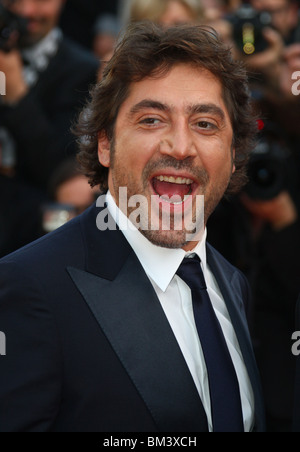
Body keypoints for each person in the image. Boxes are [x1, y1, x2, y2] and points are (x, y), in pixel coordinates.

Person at [0, 22, 265, 432]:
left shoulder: (231, 284)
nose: (180, 147)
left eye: (205, 124)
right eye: (152, 120)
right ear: (105, 143)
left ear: (233, 155)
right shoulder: (31, 288)